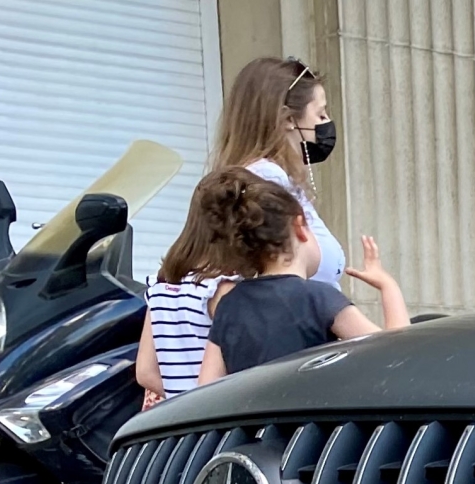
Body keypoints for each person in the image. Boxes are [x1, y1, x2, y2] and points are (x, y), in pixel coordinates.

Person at [194, 169, 409, 383]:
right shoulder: (318, 298)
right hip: (307, 416)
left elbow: (205, 388)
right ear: (299, 227)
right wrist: (388, 286)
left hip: (250, 416)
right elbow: (394, 354)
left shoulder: (230, 305)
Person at [209, 55, 351, 297]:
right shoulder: (267, 177)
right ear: (288, 120)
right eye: (320, 114)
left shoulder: (271, 177)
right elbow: (280, 281)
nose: (327, 123)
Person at [133, 184, 233, 407]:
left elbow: (145, 372)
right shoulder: (220, 289)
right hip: (217, 418)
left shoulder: (160, 285)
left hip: (181, 421)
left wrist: (181, 398)